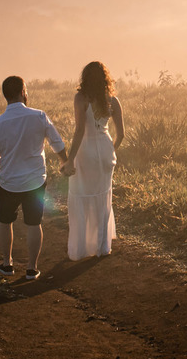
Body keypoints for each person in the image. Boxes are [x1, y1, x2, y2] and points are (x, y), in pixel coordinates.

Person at [0, 75, 69, 281]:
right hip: (35, 181)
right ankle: (32, 268)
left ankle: (7, 264)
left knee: (5, 222)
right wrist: (65, 162)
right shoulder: (39, 116)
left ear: (5, 95)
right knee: (34, 223)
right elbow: (57, 143)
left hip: (8, 182)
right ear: (23, 92)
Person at [63, 60, 124, 260]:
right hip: (106, 150)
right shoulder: (113, 100)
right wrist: (110, 151)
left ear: (85, 78)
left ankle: (81, 248)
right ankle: (102, 246)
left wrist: (70, 159)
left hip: (85, 151)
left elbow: (80, 130)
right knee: (102, 196)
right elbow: (121, 134)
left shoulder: (81, 98)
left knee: (81, 195)